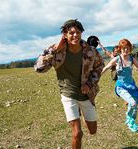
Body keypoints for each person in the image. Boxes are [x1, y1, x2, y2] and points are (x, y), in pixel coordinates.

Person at [34, 19, 104, 148]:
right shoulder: (57, 51)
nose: (75, 35)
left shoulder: (91, 51)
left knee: (92, 131)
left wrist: (89, 84)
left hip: (86, 95)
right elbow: (39, 68)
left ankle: (81, 114)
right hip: (68, 95)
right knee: (77, 133)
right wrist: (54, 50)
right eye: (71, 33)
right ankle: (76, 115)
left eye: (78, 32)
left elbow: (99, 67)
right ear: (65, 35)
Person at [101, 38, 138, 132]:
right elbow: (107, 67)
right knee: (133, 103)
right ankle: (130, 120)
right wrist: (97, 76)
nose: (126, 50)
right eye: (124, 48)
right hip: (121, 87)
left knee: (134, 105)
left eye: (128, 48)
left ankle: (131, 120)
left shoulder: (132, 59)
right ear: (120, 49)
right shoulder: (117, 59)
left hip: (131, 86)